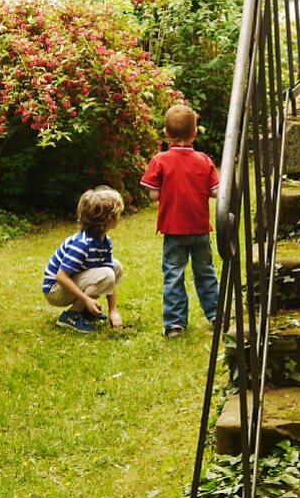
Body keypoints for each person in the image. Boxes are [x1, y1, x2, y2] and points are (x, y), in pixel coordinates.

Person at [140, 104, 219, 338]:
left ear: (166, 133)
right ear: (194, 133)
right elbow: (216, 191)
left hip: (174, 230)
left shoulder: (160, 161)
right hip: (200, 228)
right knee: (205, 271)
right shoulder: (204, 160)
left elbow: (153, 194)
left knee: (173, 274)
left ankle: (175, 324)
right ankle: (216, 315)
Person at [42, 185, 124, 333]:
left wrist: (113, 310)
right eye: (117, 213)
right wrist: (86, 299)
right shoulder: (82, 244)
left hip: (70, 284)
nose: (120, 216)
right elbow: (61, 277)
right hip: (55, 290)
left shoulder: (105, 242)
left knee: (115, 267)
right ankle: (71, 315)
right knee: (107, 273)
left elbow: (109, 272)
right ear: (106, 219)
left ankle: (84, 311)